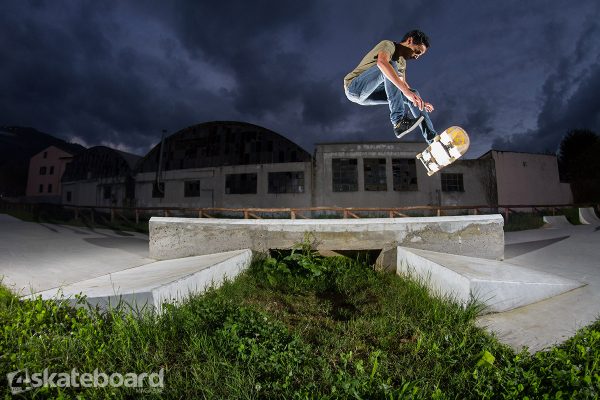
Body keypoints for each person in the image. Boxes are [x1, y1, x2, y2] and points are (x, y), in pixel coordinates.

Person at [344, 30, 437, 142]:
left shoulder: (402, 63)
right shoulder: (388, 45)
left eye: (420, 55)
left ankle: (433, 140)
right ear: (409, 40)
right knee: (389, 66)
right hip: (354, 87)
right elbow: (382, 62)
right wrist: (406, 91)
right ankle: (398, 122)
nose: (417, 57)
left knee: (414, 94)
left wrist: (419, 100)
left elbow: (403, 85)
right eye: (417, 51)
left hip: (370, 94)